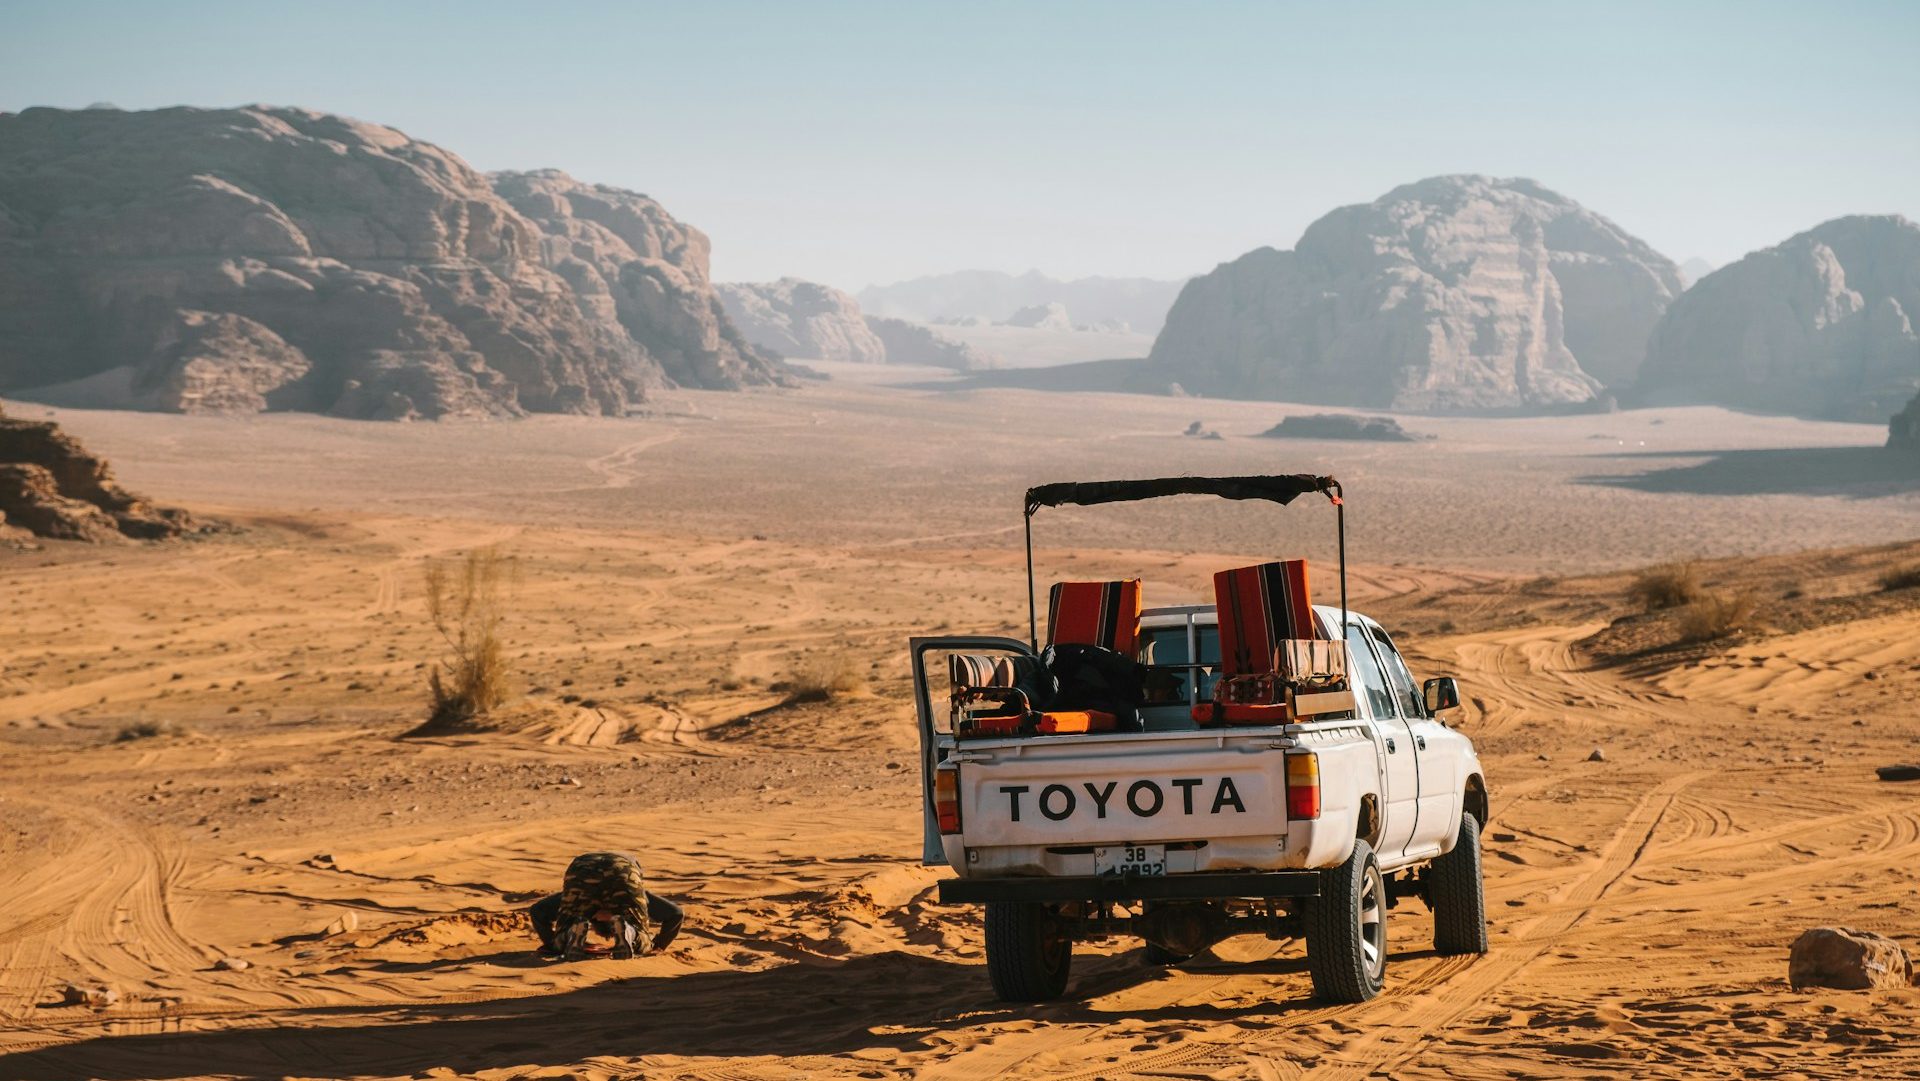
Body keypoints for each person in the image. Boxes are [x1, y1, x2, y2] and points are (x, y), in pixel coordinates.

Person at [527, 851, 684, 960]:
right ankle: (630, 933)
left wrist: (552, 944)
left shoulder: (584, 902)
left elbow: (537, 911)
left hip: (582, 868)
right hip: (623, 871)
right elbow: (676, 914)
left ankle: (568, 935)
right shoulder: (631, 896)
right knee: (642, 938)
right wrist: (658, 946)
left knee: (563, 932)